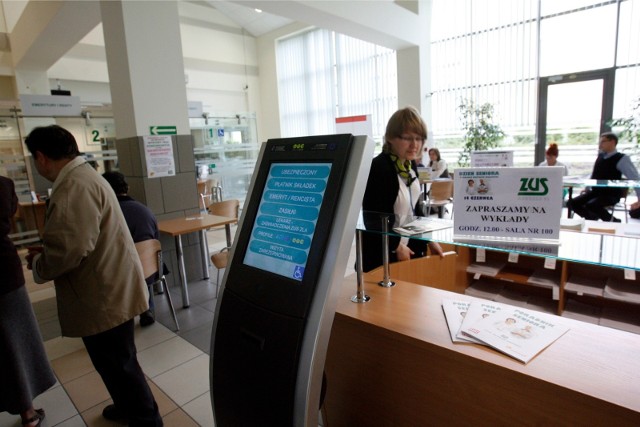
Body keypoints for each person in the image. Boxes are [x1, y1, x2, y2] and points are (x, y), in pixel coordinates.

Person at [23, 125, 163, 426]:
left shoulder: (73, 185)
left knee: (121, 365)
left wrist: (40, 265)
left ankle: (147, 420)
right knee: (114, 364)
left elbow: (70, 250)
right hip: (109, 287)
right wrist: (50, 247)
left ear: (41, 157)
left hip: (104, 296)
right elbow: (79, 237)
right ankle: (129, 408)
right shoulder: (84, 176)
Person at [0, 176, 56, 427]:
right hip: (3, 271)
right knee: (16, 341)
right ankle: (28, 414)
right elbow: (16, 212)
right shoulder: (2, 184)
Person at [361, 106, 443, 272]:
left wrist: (428, 239)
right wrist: (397, 246)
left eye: (419, 139)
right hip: (384, 254)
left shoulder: (408, 164)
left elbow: (415, 209)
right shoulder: (378, 168)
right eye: (408, 138)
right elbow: (373, 220)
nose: (415, 145)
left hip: (408, 247)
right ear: (390, 138)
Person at [102, 171, 165, 327]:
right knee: (141, 267)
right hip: (151, 271)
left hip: (121, 276)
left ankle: (122, 314)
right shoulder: (145, 210)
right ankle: (147, 309)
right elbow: (155, 239)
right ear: (127, 188)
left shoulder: (105, 215)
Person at [567, 132, 640, 222]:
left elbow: (635, 178)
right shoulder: (600, 157)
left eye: (603, 142)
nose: (600, 145)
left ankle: (613, 221)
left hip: (611, 194)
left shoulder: (621, 159)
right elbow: (595, 174)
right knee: (572, 203)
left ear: (612, 142)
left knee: (592, 205)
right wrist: (587, 187)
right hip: (596, 192)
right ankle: (591, 218)